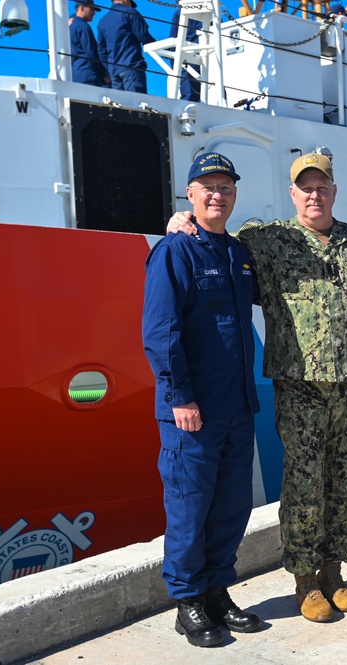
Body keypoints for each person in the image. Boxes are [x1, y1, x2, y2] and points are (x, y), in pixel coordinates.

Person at [167, 153, 347, 624]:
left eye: (321, 186)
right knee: (303, 485)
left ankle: (333, 572)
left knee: (343, 482)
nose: (313, 195)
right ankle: (305, 581)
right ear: (292, 194)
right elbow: (213, 240)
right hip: (299, 384)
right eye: (305, 188)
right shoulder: (266, 240)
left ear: (334, 191)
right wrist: (181, 220)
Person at [142, 152, 262, 648]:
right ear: (189, 195)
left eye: (226, 187)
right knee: (190, 508)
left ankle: (216, 590)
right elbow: (160, 330)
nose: (218, 195)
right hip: (191, 411)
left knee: (231, 508)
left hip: (236, 407)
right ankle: (187, 601)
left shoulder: (238, 253)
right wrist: (178, 397)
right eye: (207, 187)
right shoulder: (175, 251)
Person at [97, 0, 156, 93]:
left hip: (114, 72)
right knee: (137, 103)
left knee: (120, 105)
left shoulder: (102, 21)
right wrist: (167, 52)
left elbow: (101, 50)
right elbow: (143, 36)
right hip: (131, 67)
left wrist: (109, 69)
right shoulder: (130, 12)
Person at [69, 1, 110, 87]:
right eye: (91, 9)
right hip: (89, 74)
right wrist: (104, 74)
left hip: (75, 75)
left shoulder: (69, 26)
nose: (94, 12)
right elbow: (91, 53)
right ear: (82, 8)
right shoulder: (83, 26)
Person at [169, 7, 202, 101]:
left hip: (187, 62)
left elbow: (174, 40)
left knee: (189, 99)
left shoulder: (180, 13)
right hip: (210, 62)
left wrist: (175, 67)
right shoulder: (212, 12)